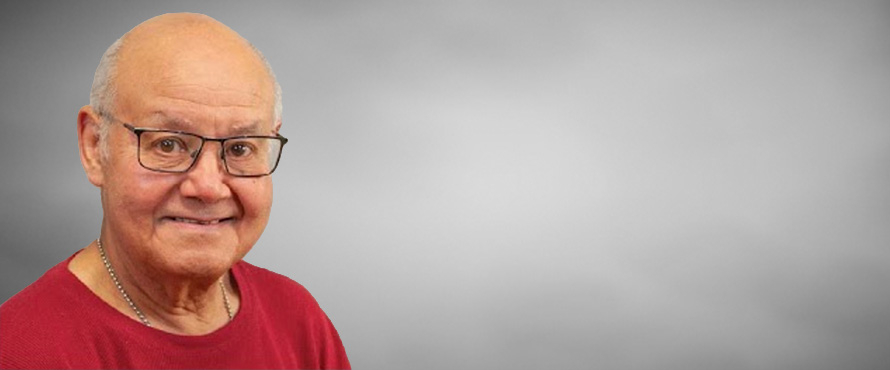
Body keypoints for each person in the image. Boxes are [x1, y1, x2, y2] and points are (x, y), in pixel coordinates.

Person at [0, 13, 350, 369]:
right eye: (168, 145)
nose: (208, 188)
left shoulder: (297, 320)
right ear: (95, 146)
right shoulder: (20, 353)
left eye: (240, 148)